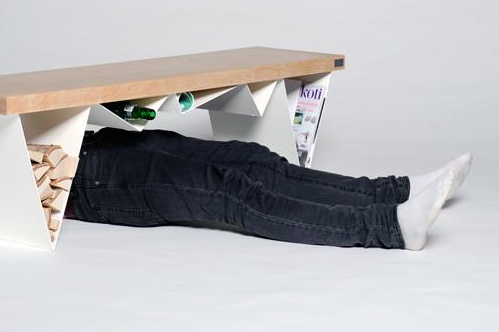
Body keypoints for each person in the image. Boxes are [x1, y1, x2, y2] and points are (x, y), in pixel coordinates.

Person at [65, 127, 473, 250]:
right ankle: (391, 227)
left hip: (92, 141)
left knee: (254, 159)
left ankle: (395, 191)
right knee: (228, 191)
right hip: (81, 180)